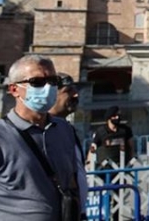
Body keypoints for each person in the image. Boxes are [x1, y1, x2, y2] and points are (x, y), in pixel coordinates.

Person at [0, 55, 81, 220]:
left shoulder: (64, 130)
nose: (48, 87)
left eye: (53, 81)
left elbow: (70, 182)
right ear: (14, 89)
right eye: (37, 82)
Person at [49, 73, 88, 207]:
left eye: (75, 90)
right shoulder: (43, 131)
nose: (76, 95)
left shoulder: (68, 130)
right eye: (68, 91)